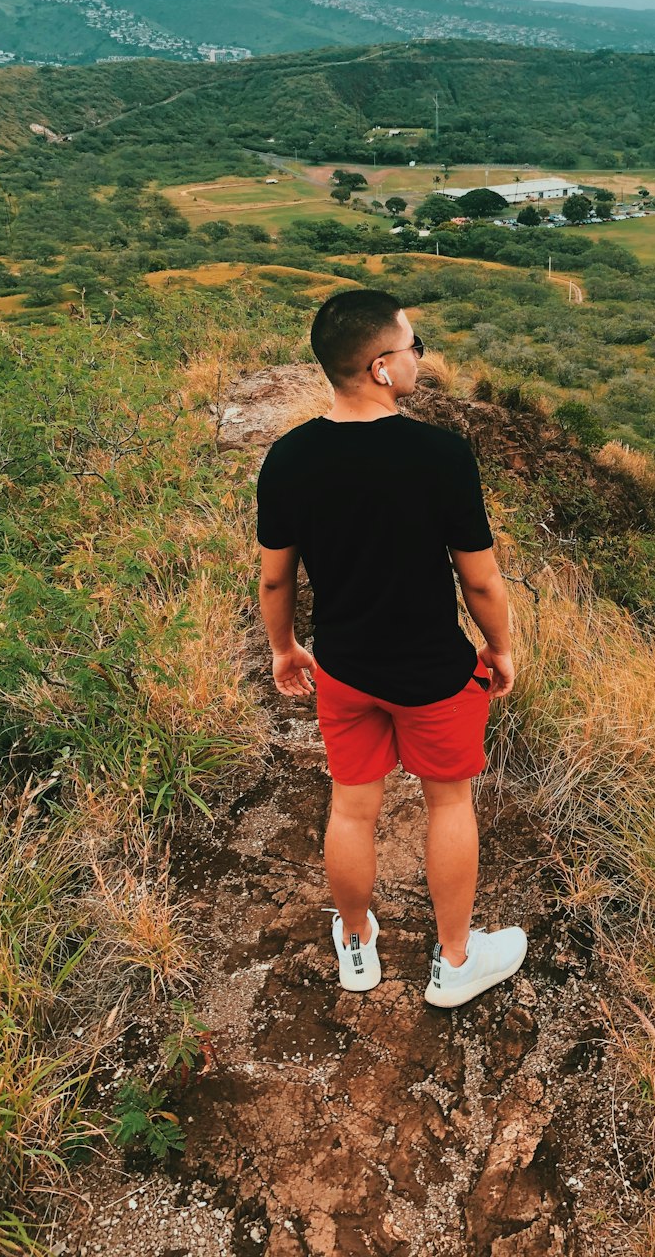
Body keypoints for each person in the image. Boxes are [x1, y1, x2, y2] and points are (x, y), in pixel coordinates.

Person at [256, 288, 527, 1007]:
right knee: (448, 805)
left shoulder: (288, 457)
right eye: (413, 348)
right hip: (434, 673)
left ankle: (356, 946)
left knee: (352, 809)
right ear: (380, 366)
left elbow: (276, 577)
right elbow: (482, 581)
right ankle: (456, 962)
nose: (419, 359)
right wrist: (500, 648)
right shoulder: (438, 455)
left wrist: (285, 649)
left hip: (345, 669)